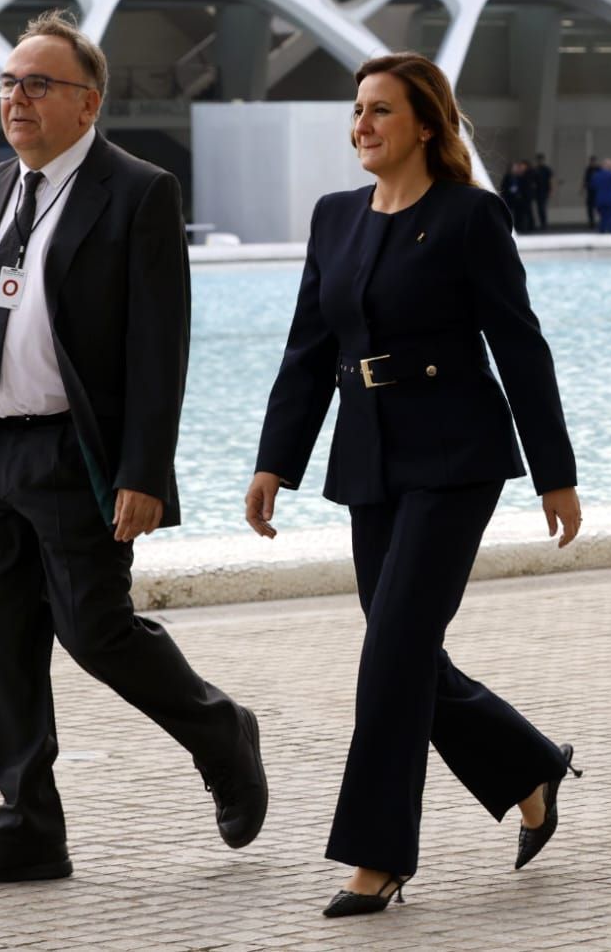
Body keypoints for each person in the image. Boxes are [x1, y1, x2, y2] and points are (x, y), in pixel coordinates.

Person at [0, 9, 267, 889]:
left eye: (37, 84)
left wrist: (144, 472)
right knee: (3, 642)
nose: (15, 98)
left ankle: (219, 729)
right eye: (8, 83)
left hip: (75, 454)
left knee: (95, 631)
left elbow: (157, 345)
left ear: (87, 102)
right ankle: (27, 825)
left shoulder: (137, 190)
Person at [246, 50, 583, 918]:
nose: (361, 125)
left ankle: (376, 856)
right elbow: (307, 352)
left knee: (390, 654)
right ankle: (526, 767)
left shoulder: (472, 217)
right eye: (356, 111)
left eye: (380, 111)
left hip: (456, 457)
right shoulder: (334, 219)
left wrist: (556, 475)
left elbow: (520, 345)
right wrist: (272, 463)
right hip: (368, 460)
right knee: (407, 655)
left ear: (425, 124)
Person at [499, 160, 534, 233]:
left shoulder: (519, 176)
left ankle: (521, 227)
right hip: (510, 198)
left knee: (520, 214)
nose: (516, 169)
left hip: (518, 199)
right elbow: (504, 187)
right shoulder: (508, 176)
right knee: (511, 214)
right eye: (515, 168)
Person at [589, 157, 611, 233]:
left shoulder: (596, 175)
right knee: (610, 218)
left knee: (603, 218)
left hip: (601, 199)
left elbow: (592, 186)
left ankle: (602, 233)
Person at [531, 152, 554, 230]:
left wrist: (550, 190)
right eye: (538, 160)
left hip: (544, 191)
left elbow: (550, 180)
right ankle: (542, 224)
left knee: (542, 207)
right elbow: (533, 181)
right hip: (537, 192)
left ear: (543, 160)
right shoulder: (535, 170)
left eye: (541, 160)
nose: (540, 161)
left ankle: (544, 224)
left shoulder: (547, 169)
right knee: (539, 208)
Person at [582, 155, 601, 229]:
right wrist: (582, 188)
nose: (592, 163)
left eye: (593, 161)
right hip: (590, 191)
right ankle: (591, 222)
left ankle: (602, 221)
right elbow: (585, 179)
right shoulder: (588, 169)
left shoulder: (599, 169)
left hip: (598, 191)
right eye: (591, 161)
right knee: (589, 208)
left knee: (599, 207)